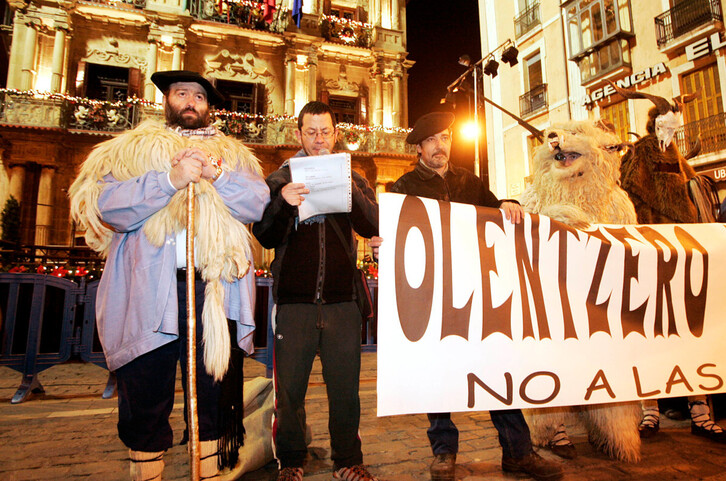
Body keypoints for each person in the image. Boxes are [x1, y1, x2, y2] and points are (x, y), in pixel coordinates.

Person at [69, 70, 270, 481]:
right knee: (145, 391)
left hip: (216, 294)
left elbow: (258, 204)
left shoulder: (233, 156)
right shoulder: (131, 152)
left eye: (198, 96)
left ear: (208, 106)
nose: (191, 102)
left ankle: (211, 475)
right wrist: (168, 180)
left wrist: (216, 174)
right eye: (182, 94)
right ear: (167, 100)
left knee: (214, 395)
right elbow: (109, 208)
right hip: (152, 292)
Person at [387, 111, 563, 481]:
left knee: (496, 370)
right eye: (433, 139)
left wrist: (508, 203)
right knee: (439, 376)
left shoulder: (470, 181)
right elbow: (394, 239)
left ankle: (518, 453)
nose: (441, 145)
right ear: (419, 147)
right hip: (433, 297)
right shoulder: (402, 189)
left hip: (477, 294)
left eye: (446, 137)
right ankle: (444, 453)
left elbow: (495, 208)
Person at [252, 101, 379, 481]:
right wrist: (284, 203)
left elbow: (373, 222)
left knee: (345, 390)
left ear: (336, 134)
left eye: (325, 132)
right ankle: (290, 461)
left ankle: (347, 460)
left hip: (343, 301)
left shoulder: (354, 177)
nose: (319, 140)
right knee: (289, 391)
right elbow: (264, 234)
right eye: (311, 133)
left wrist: (348, 189)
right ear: (299, 135)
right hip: (295, 303)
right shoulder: (278, 178)